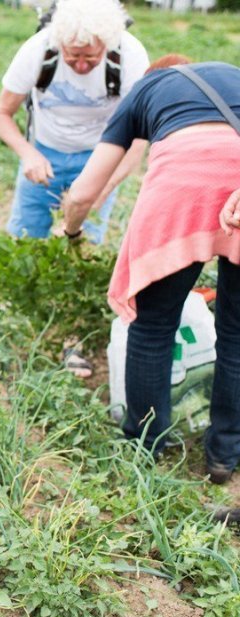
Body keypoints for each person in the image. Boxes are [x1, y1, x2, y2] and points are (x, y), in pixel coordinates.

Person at [62, 58, 240, 484]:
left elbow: (85, 190)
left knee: (152, 327)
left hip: (182, 189)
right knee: (236, 334)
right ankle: (224, 455)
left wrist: (70, 230)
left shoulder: (145, 91)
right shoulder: (233, 74)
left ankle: (145, 448)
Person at [0, 0, 149, 244]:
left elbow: (139, 136)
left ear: (107, 44)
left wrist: (103, 188)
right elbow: (0, 114)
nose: (82, 65)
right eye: (73, 55)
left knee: (84, 242)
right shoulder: (38, 49)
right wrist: (29, 155)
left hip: (101, 156)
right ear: (59, 41)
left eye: (92, 56)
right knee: (24, 239)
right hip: (44, 151)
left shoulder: (130, 55)